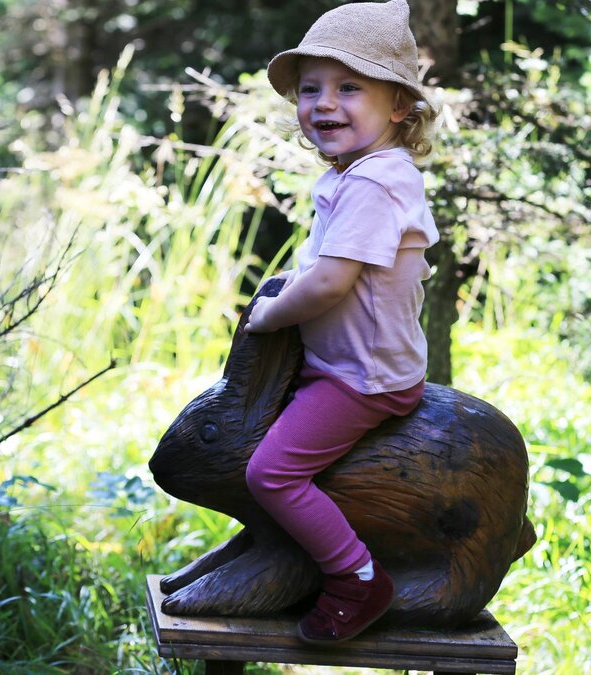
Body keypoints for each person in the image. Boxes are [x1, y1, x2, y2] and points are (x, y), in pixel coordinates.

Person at [241, 0, 439, 645]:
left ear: (400, 107)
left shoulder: (374, 185)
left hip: (362, 377)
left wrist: (267, 317)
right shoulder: (364, 174)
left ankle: (356, 577)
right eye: (311, 89)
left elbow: (328, 283)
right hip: (346, 360)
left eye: (350, 87)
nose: (325, 103)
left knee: (270, 472)